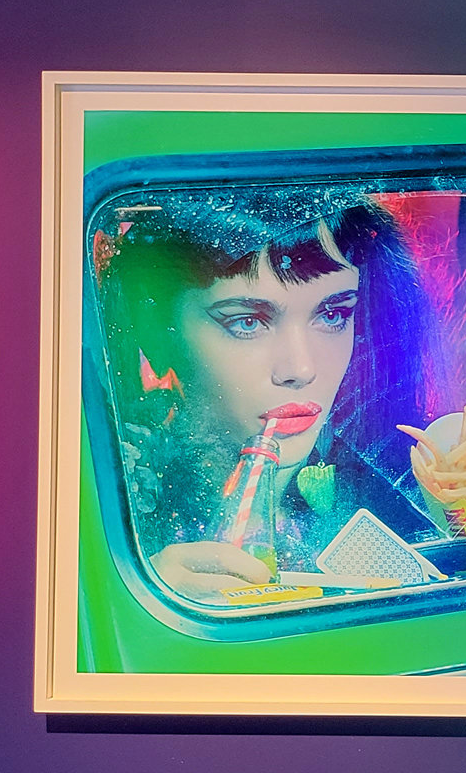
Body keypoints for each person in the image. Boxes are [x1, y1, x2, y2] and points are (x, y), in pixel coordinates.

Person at [94, 183, 446, 601]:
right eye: (247, 322)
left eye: (333, 314)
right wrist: (135, 599)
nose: (301, 369)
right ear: (157, 335)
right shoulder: (106, 503)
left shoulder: (420, 484)